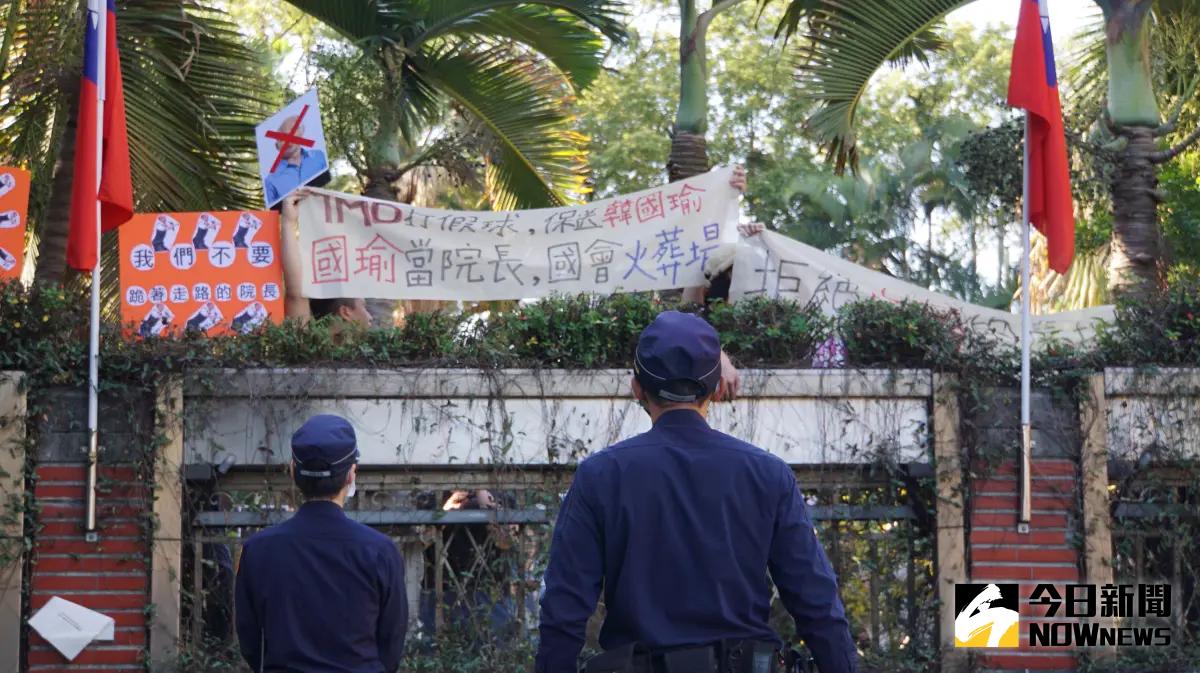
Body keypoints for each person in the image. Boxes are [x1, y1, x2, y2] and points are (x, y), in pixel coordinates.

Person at [535, 311, 858, 673]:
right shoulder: (768, 474)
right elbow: (816, 600)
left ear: (637, 388)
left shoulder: (600, 475)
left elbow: (564, 608)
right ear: (717, 388)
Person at [234, 414, 407, 673]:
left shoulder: (258, 550)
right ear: (351, 474)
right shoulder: (379, 551)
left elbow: (250, 642)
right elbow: (391, 645)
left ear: (292, 470)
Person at [278, 188, 373, 329]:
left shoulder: (302, 340)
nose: (370, 317)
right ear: (346, 312)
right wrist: (288, 223)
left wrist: (288, 223)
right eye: (364, 307)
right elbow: (296, 294)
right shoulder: (303, 340)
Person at [264, 116, 329, 206]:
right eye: (281, 137)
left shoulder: (319, 156)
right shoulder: (271, 181)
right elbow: (274, 212)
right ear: (277, 146)